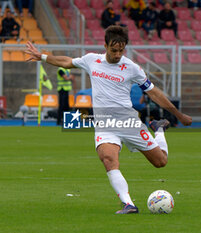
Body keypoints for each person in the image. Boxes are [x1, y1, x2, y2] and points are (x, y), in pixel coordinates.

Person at [25, 25, 192, 214]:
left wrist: (178, 115)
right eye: (114, 50)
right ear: (105, 46)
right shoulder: (92, 60)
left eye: (121, 50)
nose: (117, 54)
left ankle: (159, 128)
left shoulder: (132, 68)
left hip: (128, 122)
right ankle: (128, 203)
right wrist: (43, 57)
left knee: (160, 162)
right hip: (105, 123)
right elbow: (67, 61)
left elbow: (154, 93)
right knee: (108, 159)